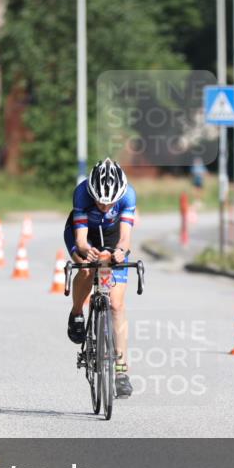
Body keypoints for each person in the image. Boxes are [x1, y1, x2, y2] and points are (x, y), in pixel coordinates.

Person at [64, 158, 137, 398]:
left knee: (116, 305)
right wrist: (87, 251)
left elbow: (125, 239)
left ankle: (121, 371)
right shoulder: (82, 194)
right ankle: (77, 313)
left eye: (110, 203)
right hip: (86, 235)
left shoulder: (128, 196)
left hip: (113, 237)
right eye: (100, 202)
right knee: (86, 269)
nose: (105, 207)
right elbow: (81, 240)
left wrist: (120, 252)